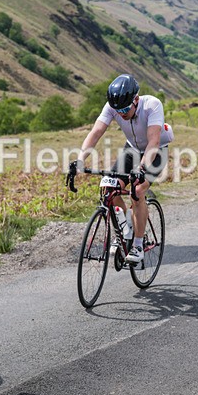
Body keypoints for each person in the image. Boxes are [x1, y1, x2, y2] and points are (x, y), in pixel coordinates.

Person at [70, 74, 173, 263]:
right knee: (109, 187)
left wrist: (141, 169)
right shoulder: (112, 107)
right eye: (118, 110)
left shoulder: (152, 105)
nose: (122, 113)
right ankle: (123, 232)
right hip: (132, 149)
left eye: (125, 109)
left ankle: (138, 245)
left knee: (137, 191)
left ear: (136, 100)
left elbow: (153, 141)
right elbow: (96, 132)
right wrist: (79, 159)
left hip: (155, 151)